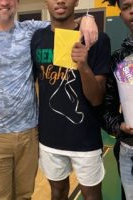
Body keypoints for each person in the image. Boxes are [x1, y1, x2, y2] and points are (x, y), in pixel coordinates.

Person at [0, 0, 98, 199]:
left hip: (29, 135)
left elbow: (62, 19)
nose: (4, 2)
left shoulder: (30, 30)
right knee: (0, 196)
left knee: (25, 195)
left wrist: (87, 17)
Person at [30, 0, 111, 199]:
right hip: (50, 137)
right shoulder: (37, 38)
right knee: (57, 192)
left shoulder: (96, 39)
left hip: (85, 137)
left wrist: (83, 66)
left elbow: (96, 98)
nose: (59, 0)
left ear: (76, 1)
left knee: (92, 195)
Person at [101, 0, 133, 199]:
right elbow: (106, 110)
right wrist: (120, 126)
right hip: (129, 151)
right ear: (121, 14)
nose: (132, 11)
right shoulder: (118, 60)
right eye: (127, 7)